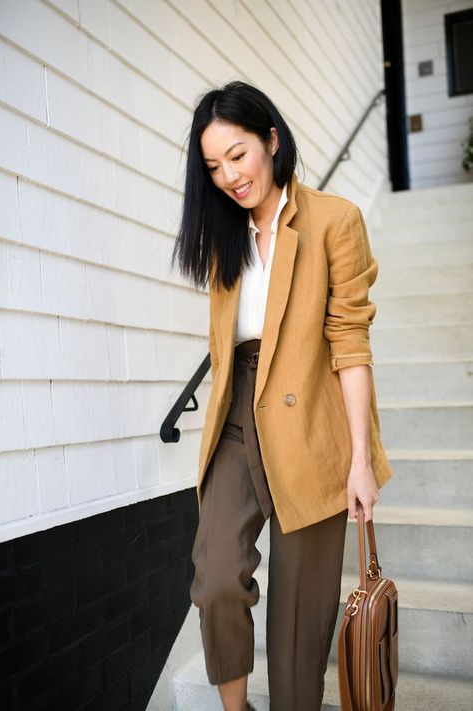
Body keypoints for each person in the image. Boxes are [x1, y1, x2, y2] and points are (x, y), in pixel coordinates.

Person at [171, 80, 393, 711]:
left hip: (314, 421)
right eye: (213, 166)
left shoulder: (333, 219)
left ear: (271, 140)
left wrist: (358, 459)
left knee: (299, 627)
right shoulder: (223, 237)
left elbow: (350, 344)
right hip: (240, 414)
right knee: (216, 578)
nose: (228, 176)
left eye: (237, 156)